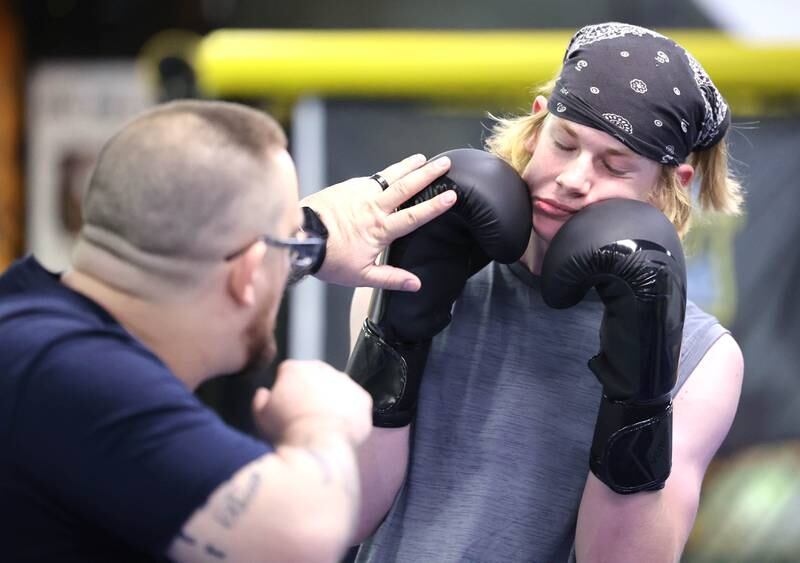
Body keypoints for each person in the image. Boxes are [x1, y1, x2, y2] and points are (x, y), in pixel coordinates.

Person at [350, 22, 745, 562]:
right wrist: (397, 335)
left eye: (613, 165)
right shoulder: (414, 268)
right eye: (564, 143)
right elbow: (353, 512)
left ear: (669, 185)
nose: (574, 178)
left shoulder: (703, 357)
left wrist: (639, 389)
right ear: (536, 129)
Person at [0, 99, 460, 562]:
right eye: (289, 240)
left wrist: (313, 232)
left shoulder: (27, 325)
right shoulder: (73, 375)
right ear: (248, 272)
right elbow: (298, 539)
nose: (296, 258)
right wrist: (320, 422)